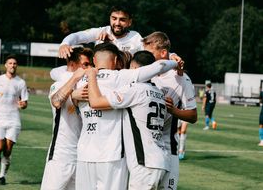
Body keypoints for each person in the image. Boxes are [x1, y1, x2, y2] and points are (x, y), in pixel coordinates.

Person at [74, 42, 178, 190]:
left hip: (139, 162)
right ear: (116, 60)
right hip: (159, 159)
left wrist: (80, 88)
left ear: (94, 61)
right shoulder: (157, 92)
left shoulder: (132, 89)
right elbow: (159, 66)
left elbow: (95, 102)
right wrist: (174, 61)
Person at [142, 31, 197, 190]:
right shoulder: (144, 73)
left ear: (162, 52)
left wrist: (174, 110)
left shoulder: (181, 78)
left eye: (150, 53)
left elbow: (193, 116)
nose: (146, 57)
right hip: (144, 147)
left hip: (168, 147)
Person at [40, 47, 93, 190]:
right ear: (72, 64)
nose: (89, 68)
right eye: (85, 64)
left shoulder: (89, 85)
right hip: (61, 155)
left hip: (82, 156)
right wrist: (75, 78)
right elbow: (56, 101)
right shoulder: (57, 85)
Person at [0, 55, 28, 185]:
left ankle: (2, 176)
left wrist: (23, 105)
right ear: (5, 65)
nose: (12, 65)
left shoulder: (21, 83)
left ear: (16, 65)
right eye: (10, 63)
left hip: (13, 120)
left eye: (14, 63)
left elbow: (25, 102)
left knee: (7, 151)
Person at [58, 5, 143, 59]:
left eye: (122, 20)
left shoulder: (136, 37)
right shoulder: (101, 31)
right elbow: (77, 36)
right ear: (110, 18)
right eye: (114, 18)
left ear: (129, 22)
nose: (117, 23)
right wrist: (65, 44)